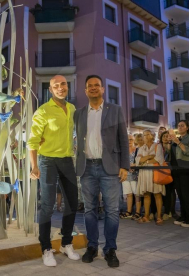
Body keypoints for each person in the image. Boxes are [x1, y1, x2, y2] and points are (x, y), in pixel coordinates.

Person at [74, 75, 129, 268]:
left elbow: (123, 139)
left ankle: (110, 249)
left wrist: (125, 166)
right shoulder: (79, 113)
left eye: (97, 85)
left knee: (112, 210)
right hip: (86, 167)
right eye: (90, 86)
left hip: (110, 168)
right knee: (89, 210)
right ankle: (92, 247)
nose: (93, 88)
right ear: (85, 91)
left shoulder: (115, 110)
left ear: (103, 89)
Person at [28, 75, 79, 267]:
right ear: (50, 90)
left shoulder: (72, 109)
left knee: (73, 202)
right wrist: (34, 166)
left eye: (63, 84)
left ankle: (66, 243)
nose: (60, 88)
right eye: (56, 86)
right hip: (47, 161)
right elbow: (33, 142)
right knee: (48, 206)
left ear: (67, 86)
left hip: (67, 160)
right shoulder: (43, 111)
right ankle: (46, 248)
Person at [170, 120, 189, 227]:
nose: (180, 127)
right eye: (178, 126)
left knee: (188, 195)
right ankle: (183, 216)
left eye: (182, 125)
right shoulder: (178, 139)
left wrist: (178, 142)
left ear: (187, 127)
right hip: (178, 170)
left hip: (188, 169)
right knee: (181, 195)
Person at [135, 130, 165, 226]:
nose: (146, 136)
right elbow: (138, 161)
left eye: (147, 134)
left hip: (155, 172)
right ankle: (146, 216)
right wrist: (149, 157)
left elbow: (158, 159)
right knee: (146, 195)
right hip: (144, 173)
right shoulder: (141, 148)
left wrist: (145, 161)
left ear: (152, 136)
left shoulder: (157, 146)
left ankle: (159, 216)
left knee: (157, 194)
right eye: (144, 135)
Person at [120, 135, 140, 220]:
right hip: (125, 175)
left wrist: (134, 165)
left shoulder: (137, 150)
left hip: (135, 175)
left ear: (134, 140)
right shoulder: (123, 151)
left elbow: (140, 162)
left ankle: (138, 212)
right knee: (128, 194)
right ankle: (129, 211)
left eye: (131, 139)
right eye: (127, 139)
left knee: (137, 194)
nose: (129, 141)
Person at [159, 131, 176, 220]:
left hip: (170, 171)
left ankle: (169, 211)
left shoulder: (172, 146)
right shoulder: (158, 147)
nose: (165, 138)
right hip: (160, 171)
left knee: (170, 191)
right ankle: (163, 210)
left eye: (167, 136)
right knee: (162, 192)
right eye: (164, 136)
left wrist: (169, 143)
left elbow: (170, 153)